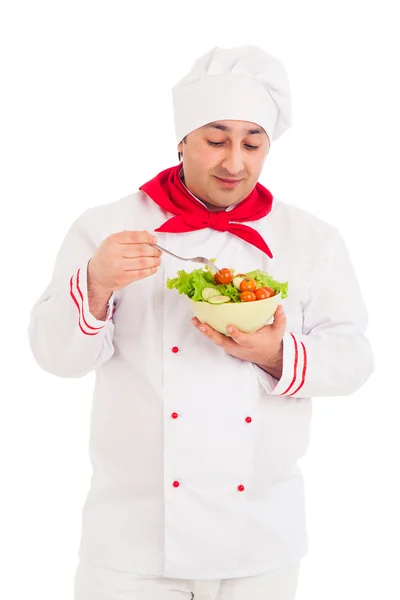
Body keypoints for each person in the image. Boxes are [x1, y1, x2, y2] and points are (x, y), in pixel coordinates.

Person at [28, 45, 374, 600]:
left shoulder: (311, 240)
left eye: (252, 143)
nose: (234, 162)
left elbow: (355, 359)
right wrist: (95, 283)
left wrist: (272, 353)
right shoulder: (109, 228)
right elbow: (53, 357)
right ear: (182, 139)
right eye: (215, 140)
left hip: (259, 543)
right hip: (130, 548)